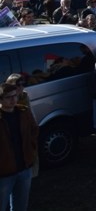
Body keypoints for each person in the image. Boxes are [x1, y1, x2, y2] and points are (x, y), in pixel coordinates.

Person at [0, 83, 37, 211]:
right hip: (4, 173)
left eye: (15, 96)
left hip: (24, 168)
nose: (13, 100)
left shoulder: (23, 111)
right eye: (8, 97)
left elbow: (34, 129)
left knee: (21, 206)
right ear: (1, 100)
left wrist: (31, 148)